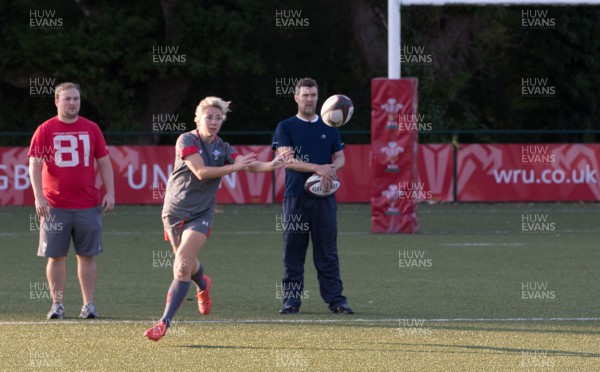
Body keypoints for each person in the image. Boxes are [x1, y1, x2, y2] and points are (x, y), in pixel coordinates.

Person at [144, 96, 289, 341]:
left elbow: (246, 165)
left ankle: (163, 323)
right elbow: (201, 172)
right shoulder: (186, 139)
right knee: (187, 264)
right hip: (174, 212)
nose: (213, 122)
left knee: (181, 266)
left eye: (218, 118)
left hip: (201, 214)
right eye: (209, 117)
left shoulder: (223, 146)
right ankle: (203, 285)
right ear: (197, 119)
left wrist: (272, 164)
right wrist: (235, 167)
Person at [28, 82, 115, 320]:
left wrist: (111, 191)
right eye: (67, 99)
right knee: (55, 256)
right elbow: (34, 164)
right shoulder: (45, 129)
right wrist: (38, 196)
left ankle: (89, 305)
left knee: (87, 256)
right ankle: (57, 305)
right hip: (55, 205)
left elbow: (104, 162)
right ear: (57, 101)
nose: (73, 103)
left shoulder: (91, 128)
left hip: (87, 204)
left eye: (76, 99)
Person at [272, 77, 353, 315]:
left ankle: (337, 301)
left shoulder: (329, 127)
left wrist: (331, 169)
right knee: (293, 251)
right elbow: (287, 159)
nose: (309, 99)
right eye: (305, 95)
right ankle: (291, 301)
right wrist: (319, 168)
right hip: (296, 198)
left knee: (327, 251)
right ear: (296, 97)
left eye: (313, 95)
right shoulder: (285, 127)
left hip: (325, 198)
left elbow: (340, 158)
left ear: (319, 97)